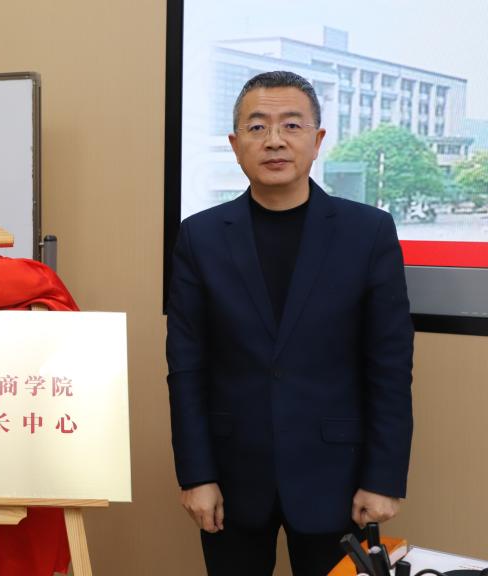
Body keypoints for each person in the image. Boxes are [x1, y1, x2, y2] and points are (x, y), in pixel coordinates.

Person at [166, 71, 414, 576]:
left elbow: (389, 366)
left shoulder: (368, 232)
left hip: (338, 478)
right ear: (235, 145)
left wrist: (383, 478)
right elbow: (187, 369)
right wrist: (196, 475)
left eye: (291, 125)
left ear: (317, 140)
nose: (274, 140)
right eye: (257, 127)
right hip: (231, 479)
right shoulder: (200, 237)